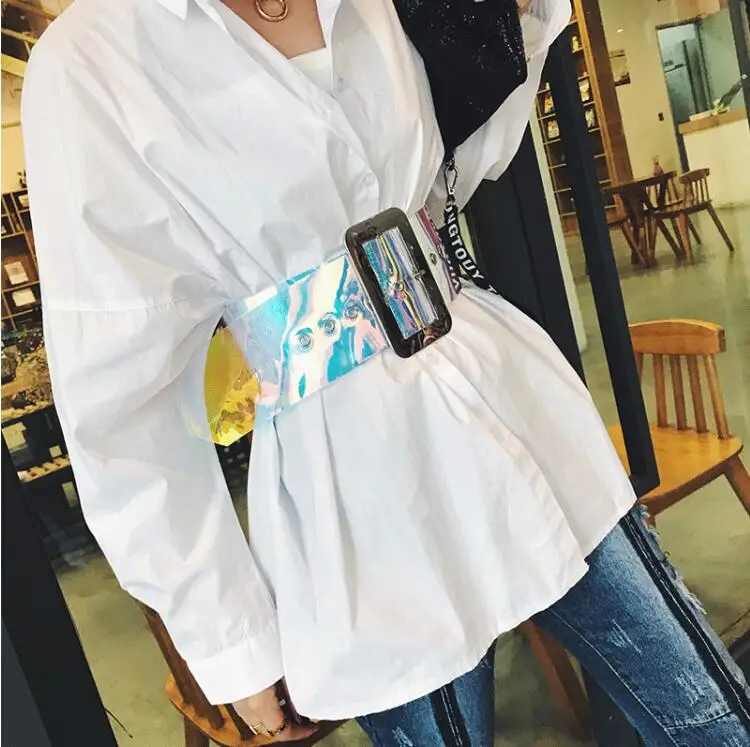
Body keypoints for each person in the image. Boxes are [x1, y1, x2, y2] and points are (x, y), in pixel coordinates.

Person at [22, 0, 750, 744]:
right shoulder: (95, 59)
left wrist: (512, 24)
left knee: (711, 718)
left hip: (507, 400)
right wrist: (229, 635)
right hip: (356, 498)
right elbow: (120, 406)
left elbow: (462, 165)